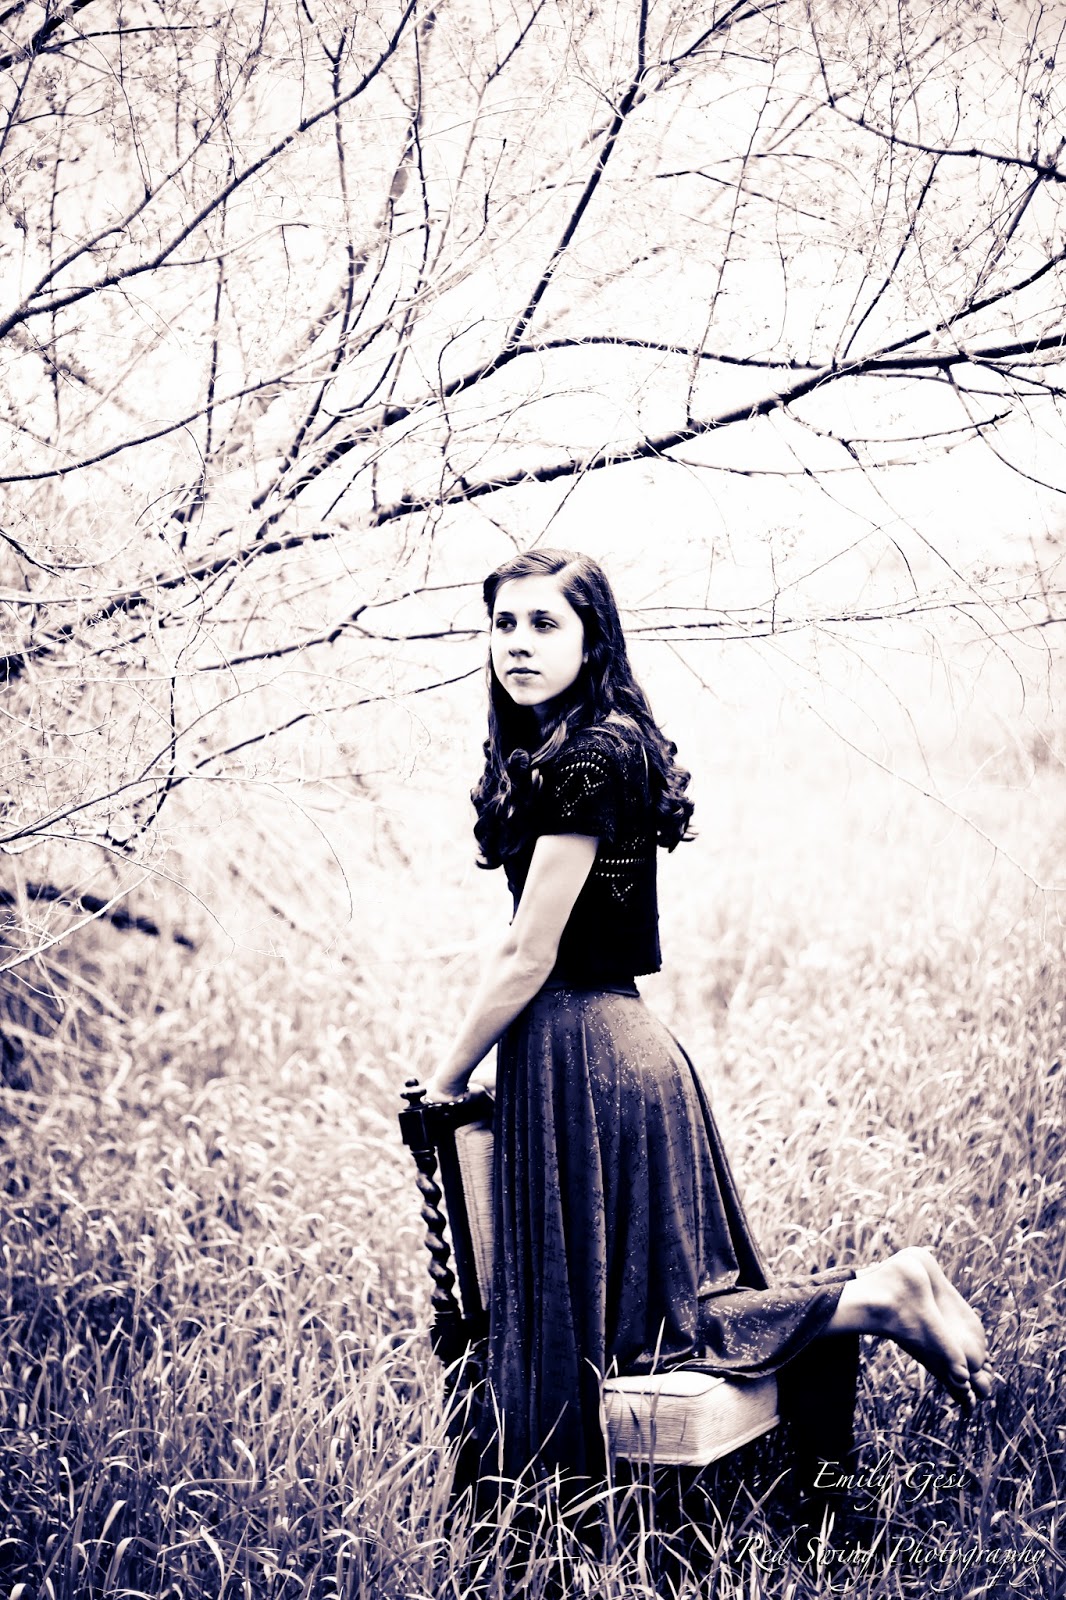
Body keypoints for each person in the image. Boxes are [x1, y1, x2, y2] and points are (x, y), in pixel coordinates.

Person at [424, 548, 991, 1495]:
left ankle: (881, 1295)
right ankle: (882, 1292)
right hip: (619, 1043)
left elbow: (529, 953)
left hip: (584, 1051)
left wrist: (445, 1077)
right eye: (504, 624)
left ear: (593, 640)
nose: (517, 643)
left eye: (544, 623)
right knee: (662, 1313)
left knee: (653, 1329)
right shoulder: (598, 743)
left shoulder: (585, 758)